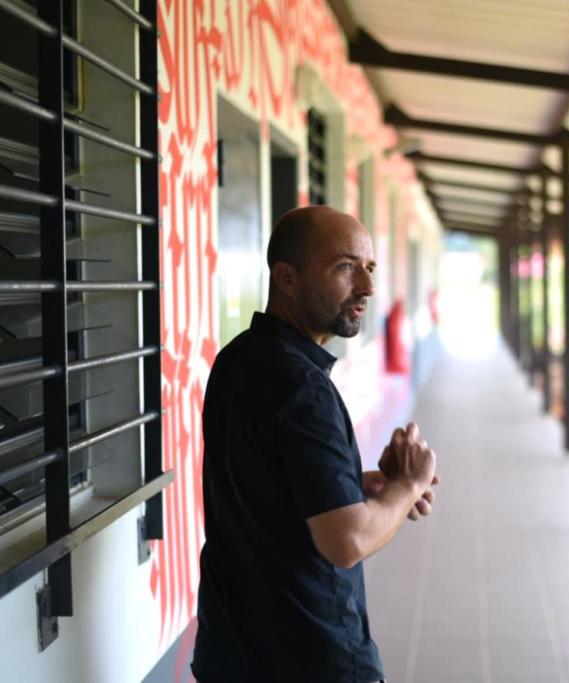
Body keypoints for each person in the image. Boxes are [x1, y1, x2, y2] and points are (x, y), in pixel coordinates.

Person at [192, 206, 439, 683]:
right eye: (345, 267)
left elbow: (265, 484)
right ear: (286, 278)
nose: (367, 287)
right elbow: (347, 541)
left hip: (230, 653)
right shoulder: (302, 386)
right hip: (309, 657)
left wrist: (355, 486)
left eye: (369, 268)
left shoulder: (237, 358)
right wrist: (407, 486)